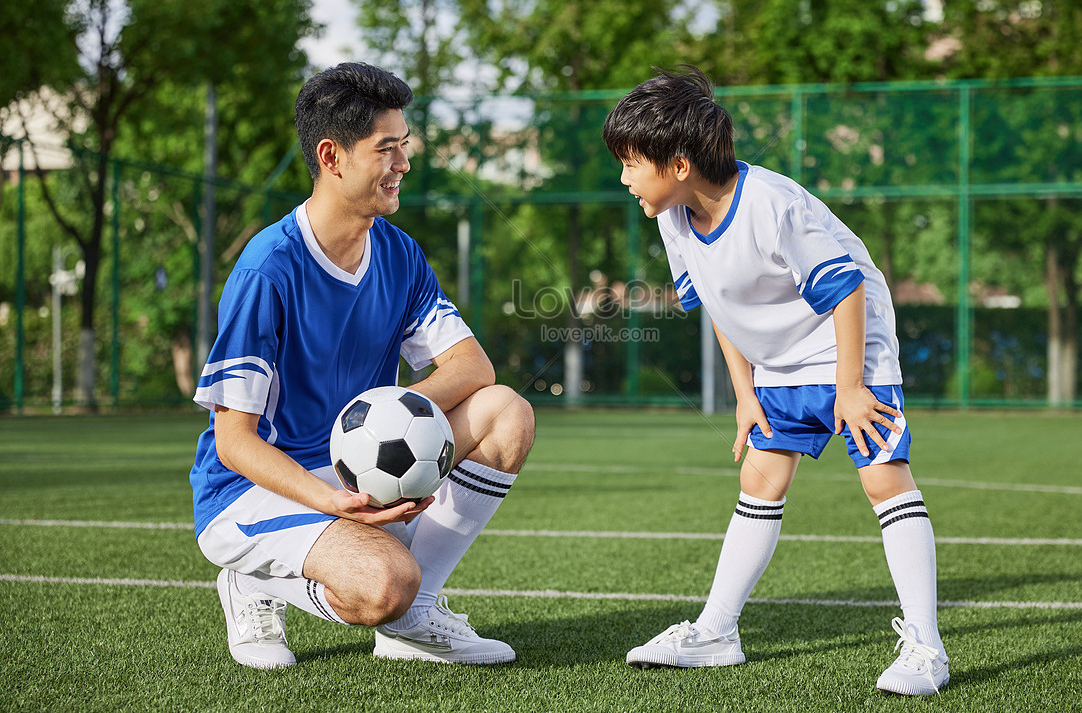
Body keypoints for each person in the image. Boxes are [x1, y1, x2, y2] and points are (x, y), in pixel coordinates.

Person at [601, 66, 948, 696]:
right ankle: (717, 633)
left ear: (679, 163)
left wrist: (849, 388)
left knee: (882, 478)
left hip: (851, 347)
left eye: (631, 162)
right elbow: (717, 305)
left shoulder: (773, 205)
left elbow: (845, 291)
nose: (624, 178)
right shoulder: (672, 218)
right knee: (760, 476)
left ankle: (926, 646)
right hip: (777, 361)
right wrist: (745, 394)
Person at [190, 62, 535, 670]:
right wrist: (332, 501)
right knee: (383, 584)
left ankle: (415, 619)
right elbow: (233, 442)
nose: (404, 162)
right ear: (333, 156)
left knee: (505, 411)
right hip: (254, 489)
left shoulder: (398, 253)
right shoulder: (268, 268)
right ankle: (253, 580)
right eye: (388, 148)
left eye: (405, 146)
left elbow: (471, 366)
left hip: (354, 466)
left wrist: (389, 419)